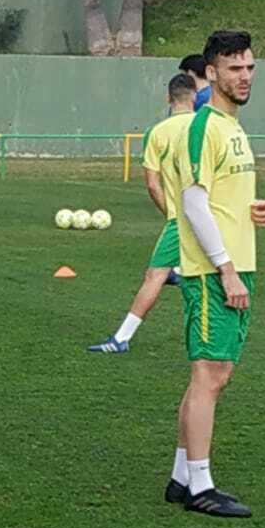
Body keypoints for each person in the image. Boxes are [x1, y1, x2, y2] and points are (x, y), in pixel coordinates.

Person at [164, 29, 265, 518]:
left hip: (237, 264)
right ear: (211, 73)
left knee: (214, 375)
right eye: (234, 68)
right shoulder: (203, 127)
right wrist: (226, 270)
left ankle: (181, 477)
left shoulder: (234, 128)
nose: (245, 76)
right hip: (213, 271)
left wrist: (253, 210)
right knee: (209, 374)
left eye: (249, 67)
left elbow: (219, 198)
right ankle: (200, 486)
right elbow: (193, 202)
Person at [88, 71, 196, 354]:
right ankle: (180, 272)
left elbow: (152, 184)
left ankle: (121, 339)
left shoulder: (157, 133)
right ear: (195, 97)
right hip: (213, 216)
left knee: (154, 275)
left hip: (183, 219)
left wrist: (171, 213)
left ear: (168, 99)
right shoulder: (207, 128)